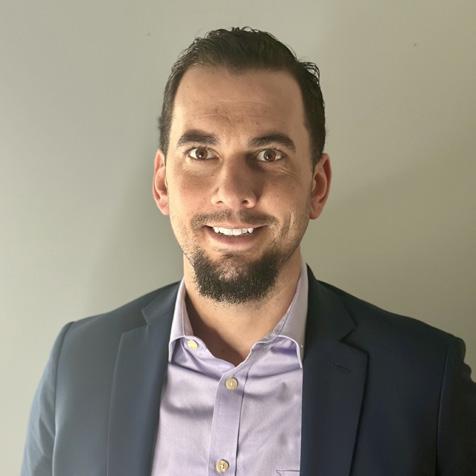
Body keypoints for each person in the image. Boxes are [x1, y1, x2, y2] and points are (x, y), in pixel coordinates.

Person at [21, 27, 475, 476]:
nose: (234, 191)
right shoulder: (77, 364)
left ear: (317, 186)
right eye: (201, 153)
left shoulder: (425, 380)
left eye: (269, 155)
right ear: (162, 184)